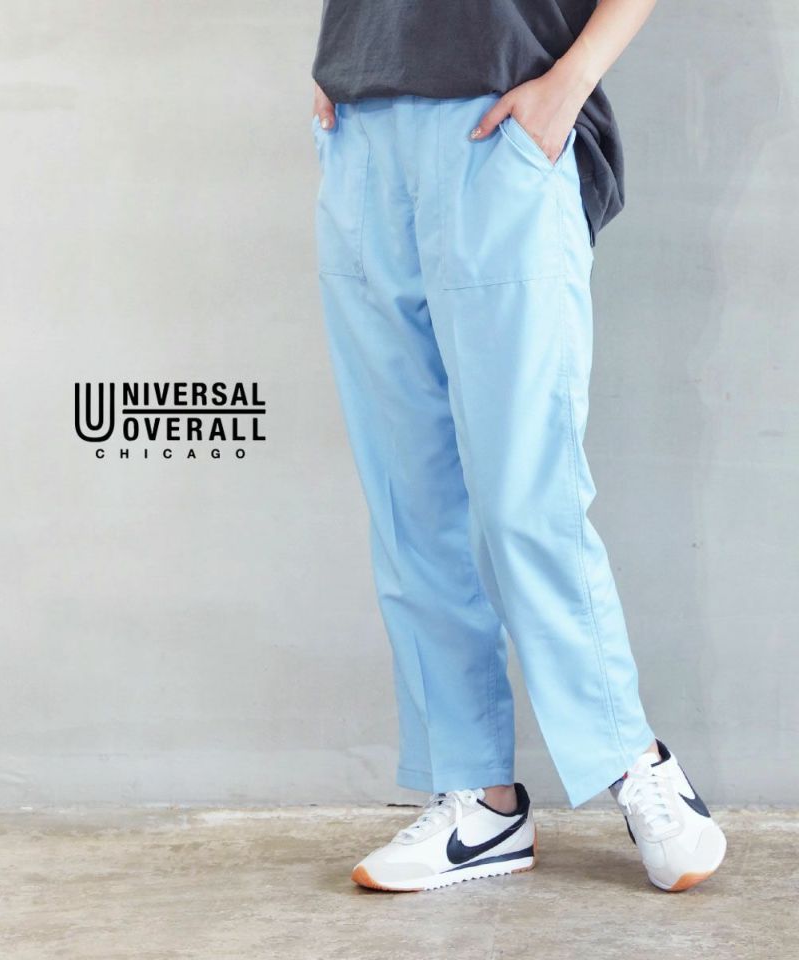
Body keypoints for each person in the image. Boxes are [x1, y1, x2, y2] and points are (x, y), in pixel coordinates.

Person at [308, 0, 727, 893]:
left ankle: (635, 760)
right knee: (410, 500)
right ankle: (479, 800)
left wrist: (571, 82)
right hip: (362, 128)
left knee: (525, 497)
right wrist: (340, 59)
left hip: (501, 122)